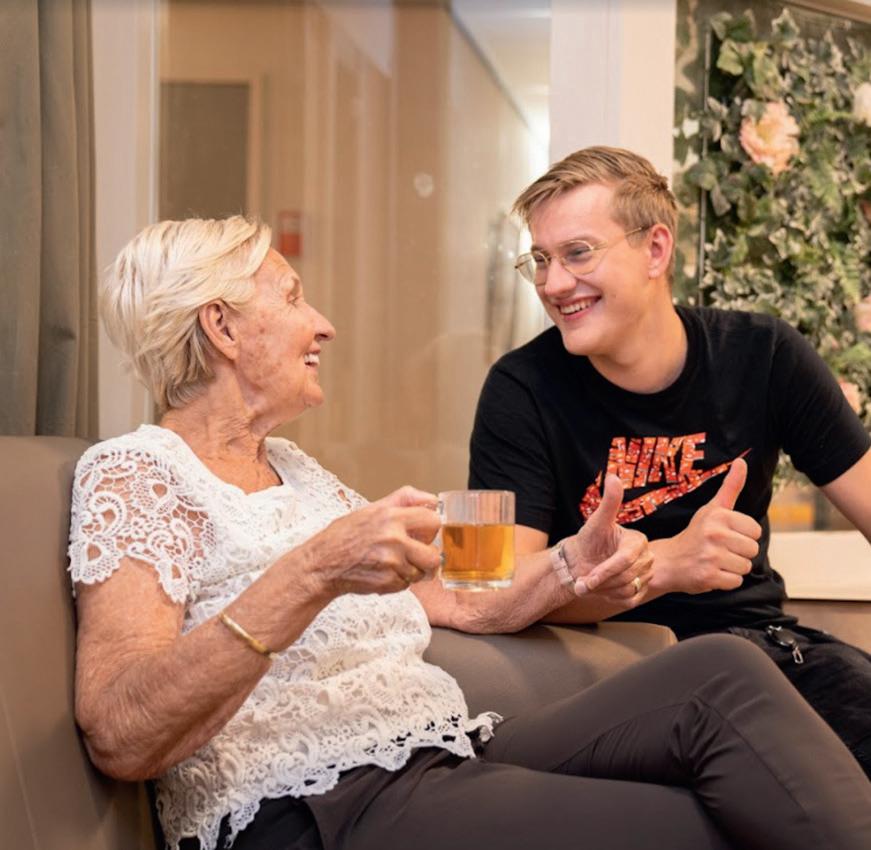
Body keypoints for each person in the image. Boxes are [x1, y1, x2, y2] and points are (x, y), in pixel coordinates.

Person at [69, 216, 871, 850]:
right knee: (711, 825)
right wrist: (312, 572)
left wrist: (573, 562)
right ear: (221, 327)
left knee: (720, 672)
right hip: (318, 804)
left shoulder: (297, 472)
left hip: (438, 746)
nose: (322, 325)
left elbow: (465, 594)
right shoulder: (137, 474)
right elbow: (120, 732)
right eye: (291, 297)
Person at [459, 145, 871, 778]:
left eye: (577, 253)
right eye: (541, 260)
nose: (553, 284)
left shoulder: (764, 356)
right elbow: (495, 596)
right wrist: (667, 565)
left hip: (757, 651)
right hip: (600, 670)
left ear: (655, 249)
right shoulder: (519, 389)